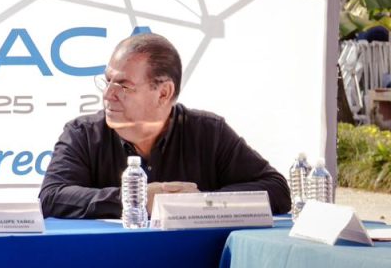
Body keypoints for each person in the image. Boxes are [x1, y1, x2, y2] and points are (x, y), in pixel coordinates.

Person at [39, 33, 290, 219]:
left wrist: (203, 202)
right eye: (107, 82)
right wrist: (133, 199)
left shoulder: (208, 132)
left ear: (163, 93)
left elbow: (277, 190)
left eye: (123, 85)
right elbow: (51, 197)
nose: (108, 95)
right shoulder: (82, 134)